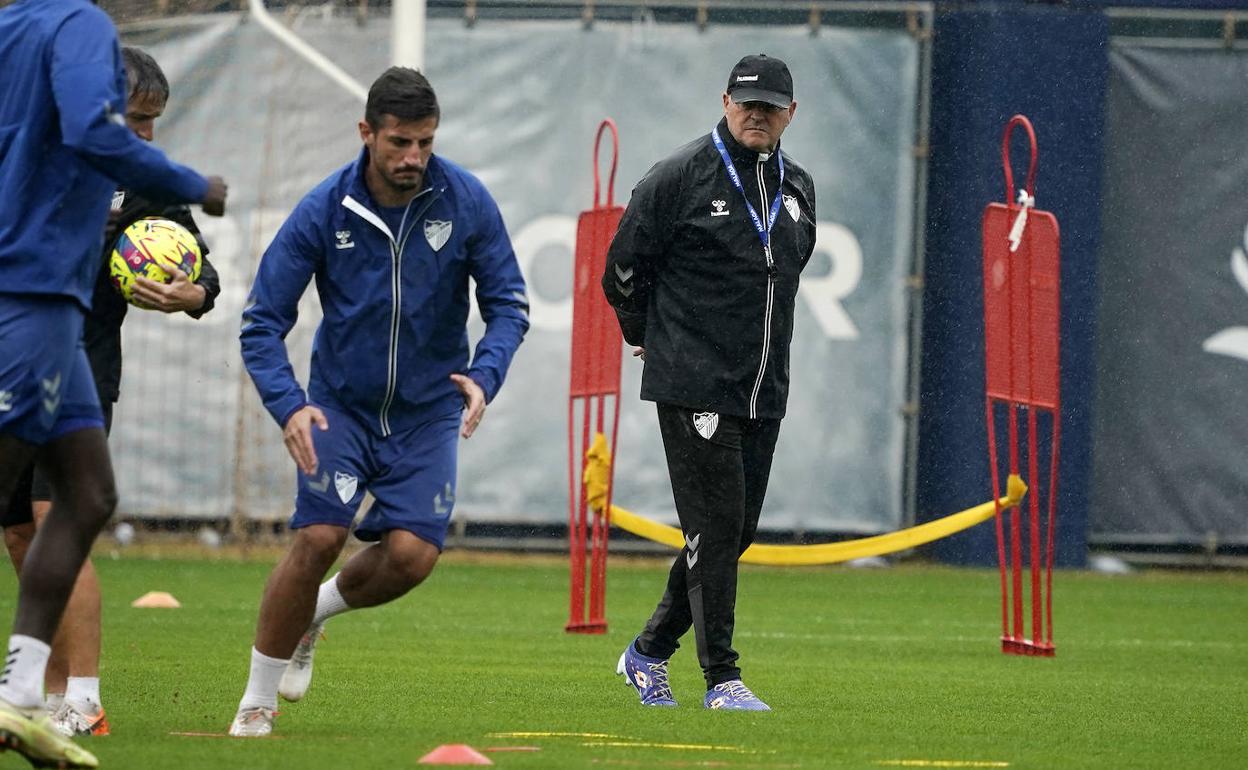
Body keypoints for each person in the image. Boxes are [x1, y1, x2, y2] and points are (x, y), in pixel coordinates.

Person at [228, 66, 529, 738]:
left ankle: (315, 615)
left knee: (413, 557)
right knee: (318, 536)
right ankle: (256, 701)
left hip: (427, 413)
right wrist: (289, 405)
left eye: (424, 142)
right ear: (366, 133)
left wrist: (486, 373)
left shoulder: (465, 201)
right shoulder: (322, 210)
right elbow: (261, 321)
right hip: (339, 409)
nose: (413, 158)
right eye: (398, 142)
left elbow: (508, 303)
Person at [0, 1, 227, 766]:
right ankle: (35, 692)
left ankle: (72, 697)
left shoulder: (138, 184)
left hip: (81, 358)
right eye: (134, 118)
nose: (145, 138)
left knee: (69, 503)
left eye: (154, 122)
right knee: (28, 524)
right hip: (28, 332)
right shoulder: (55, 141)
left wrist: (193, 293)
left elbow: (203, 271)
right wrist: (197, 181)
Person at [602, 54, 816, 711]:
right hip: (692, 382)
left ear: (791, 113)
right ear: (724, 102)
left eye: (770, 105)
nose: (757, 114)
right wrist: (649, 336)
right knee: (718, 529)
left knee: (733, 532)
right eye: (747, 102)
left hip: (762, 387)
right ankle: (721, 679)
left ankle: (647, 651)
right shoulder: (679, 176)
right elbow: (622, 268)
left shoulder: (798, 186)